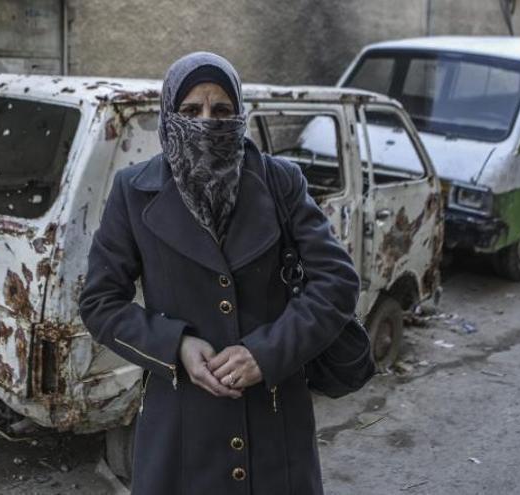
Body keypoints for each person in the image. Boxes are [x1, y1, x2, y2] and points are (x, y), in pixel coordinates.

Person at [78, 51, 360, 495]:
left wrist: (265, 353)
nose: (207, 122)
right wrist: (176, 346)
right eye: (191, 110)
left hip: (275, 424)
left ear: (239, 114)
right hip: (181, 428)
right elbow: (100, 302)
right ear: (169, 115)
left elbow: (337, 282)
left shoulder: (280, 183)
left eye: (221, 110)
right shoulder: (134, 192)